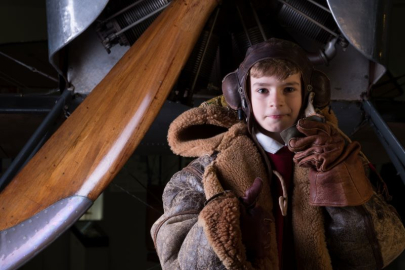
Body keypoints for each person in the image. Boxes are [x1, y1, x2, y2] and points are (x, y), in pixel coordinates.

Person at [151, 38, 405, 269]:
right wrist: (225, 226)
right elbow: (174, 261)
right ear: (243, 97)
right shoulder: (202, 174)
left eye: (289, 89)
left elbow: (384, 251)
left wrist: (338, 177)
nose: (276, 101)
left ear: (309, 95)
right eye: (262, 90)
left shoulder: (342, 158)